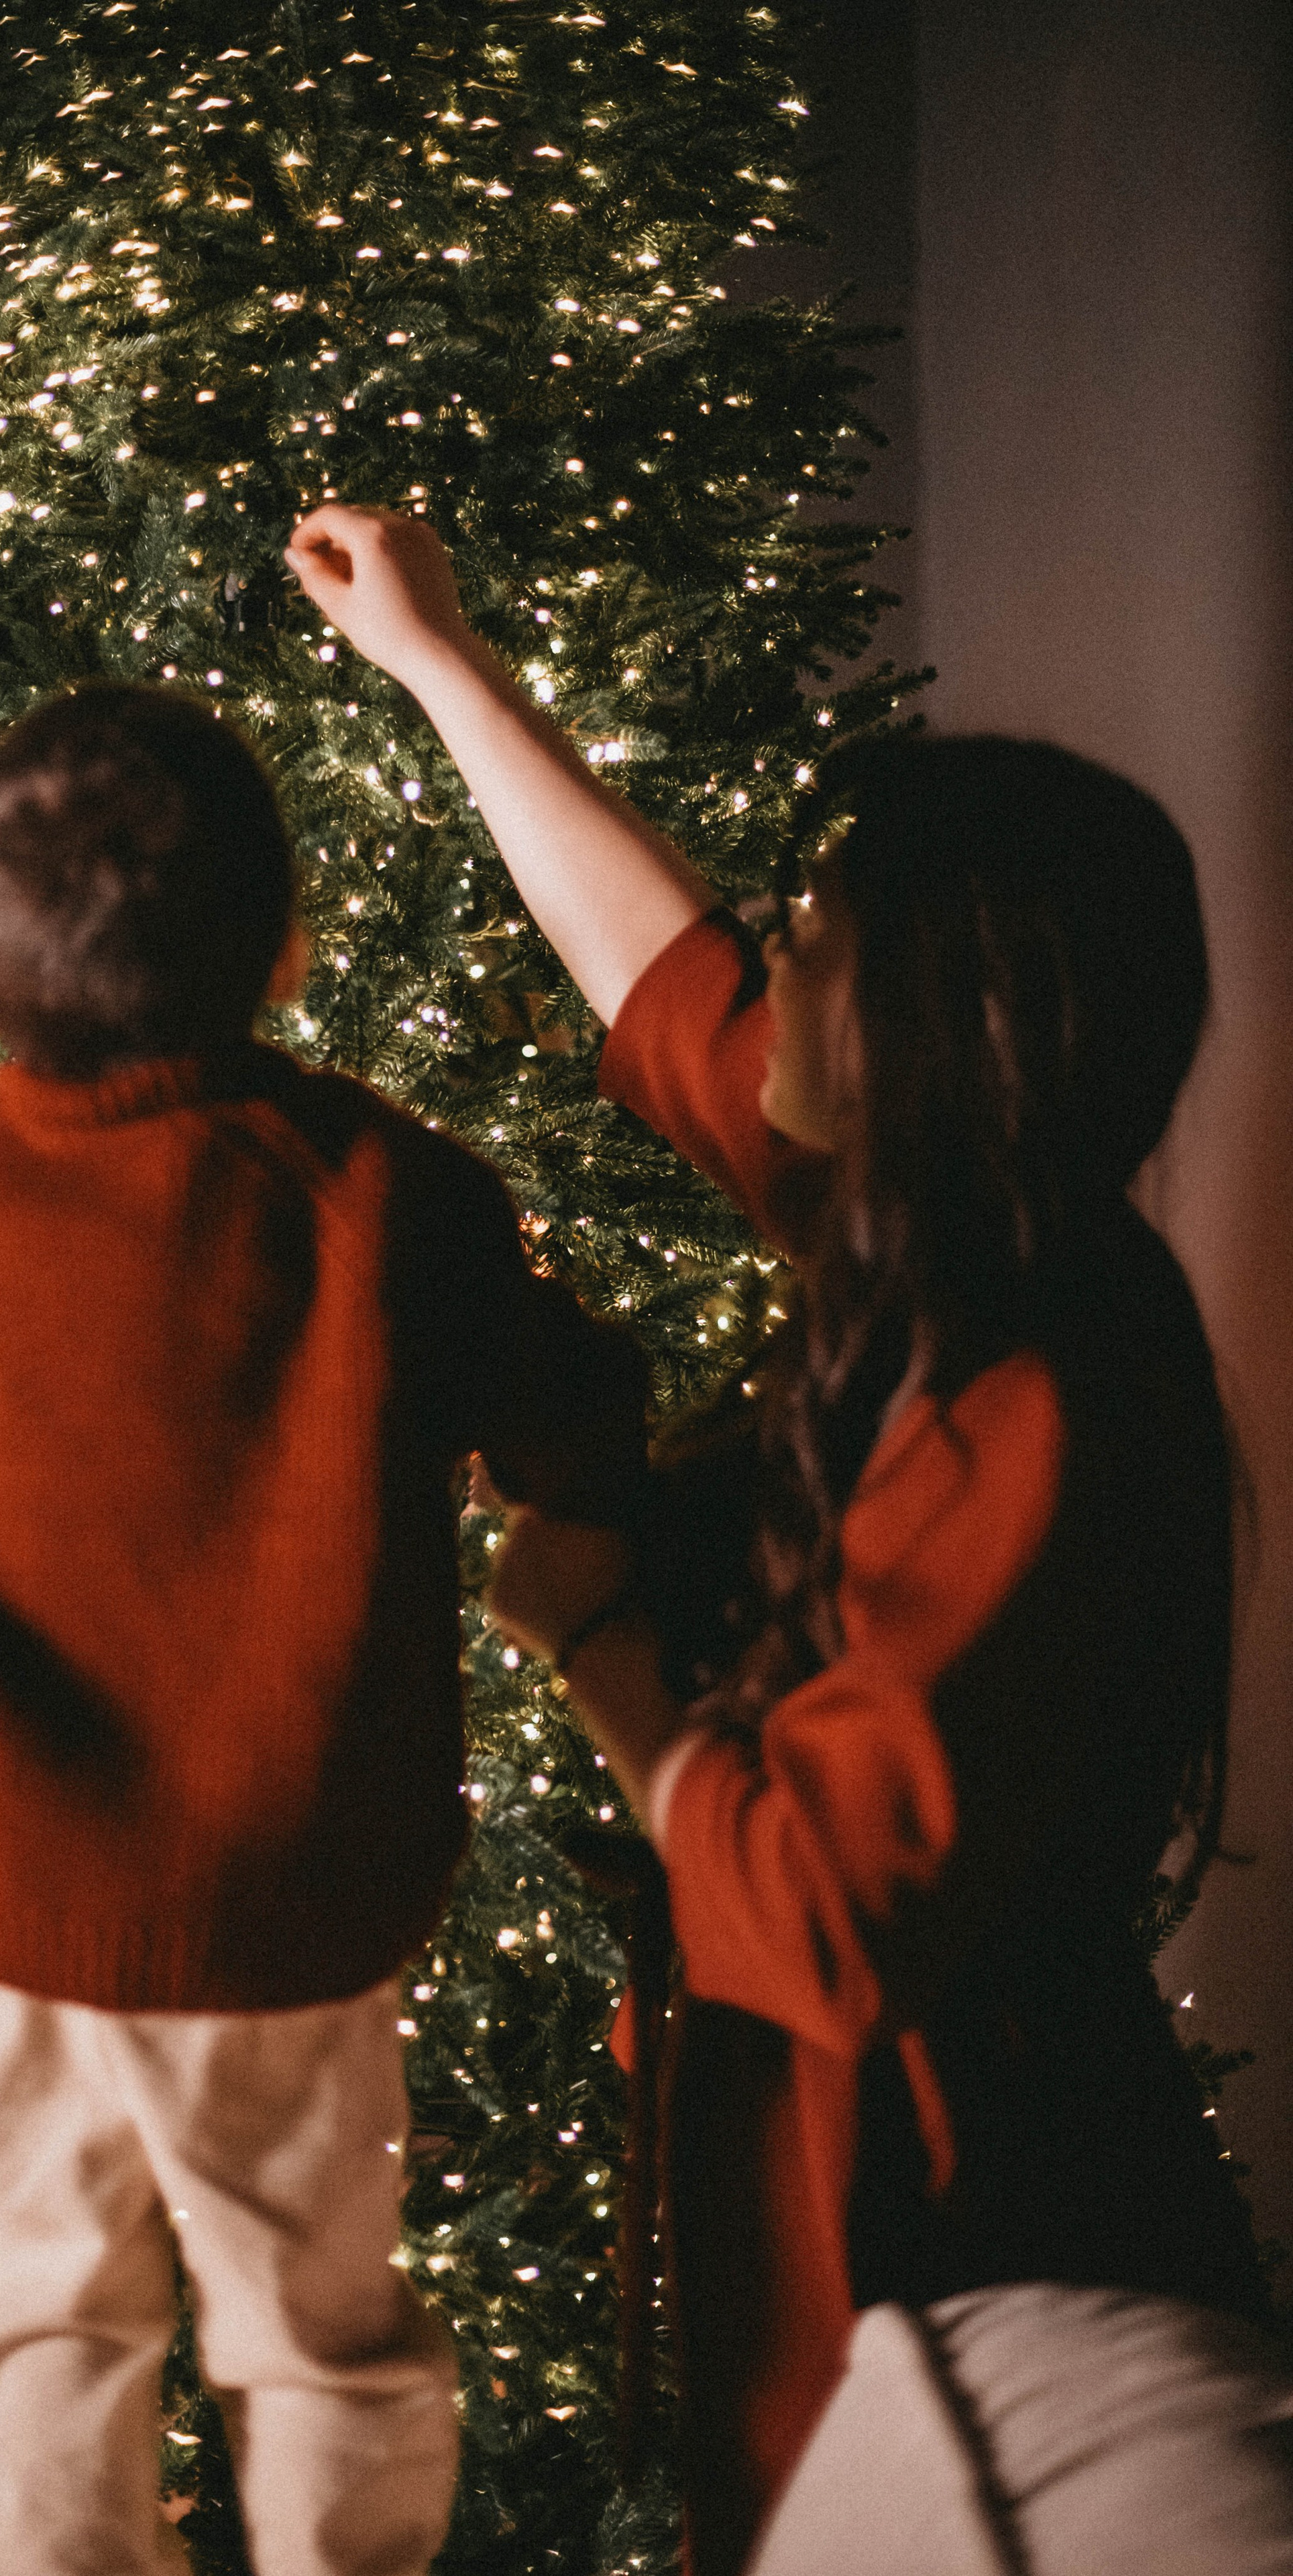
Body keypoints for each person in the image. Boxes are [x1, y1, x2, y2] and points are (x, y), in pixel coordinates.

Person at [286, 506, 1293, 2576]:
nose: (784, 947)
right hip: (842, 2216)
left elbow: (822, 1914)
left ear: (939, 1008)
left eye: (822, 927)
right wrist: (439, 667)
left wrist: (596, 1649)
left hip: (958, 2241)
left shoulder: (1036, 1375)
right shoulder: (934, 1247)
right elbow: (664, 985)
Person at [0, 682, 648, 2576]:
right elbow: (579, 1418)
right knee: (321, 2344)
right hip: (290, 1911)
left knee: (51, 2335)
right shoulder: (381, 1190)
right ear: (289, 944)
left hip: (2, 1909)